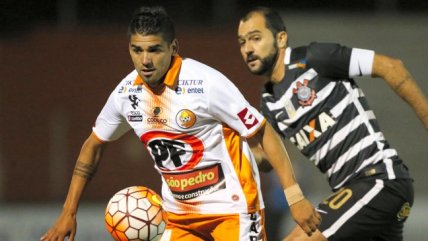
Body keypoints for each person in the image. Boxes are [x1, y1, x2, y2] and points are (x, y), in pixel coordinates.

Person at [40, 6, 321, 241]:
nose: (145, 60)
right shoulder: (126, 95)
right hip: (179, 217)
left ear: (173, 47)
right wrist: (69, 211)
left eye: (154, 50)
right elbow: (93, 145)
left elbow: (263, 132)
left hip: (233, 210)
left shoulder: (205, 83)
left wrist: (294, 196)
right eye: (137, 50)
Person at [237, 6, 428, 241]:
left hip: (378, 180)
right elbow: (268, 160)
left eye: (256, 38)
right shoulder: (269, 102)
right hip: (358, 193)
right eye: (242, 42)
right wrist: (232, 149)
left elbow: (391, 67)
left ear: (281, 38)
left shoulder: (315, 58)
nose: (248, 49)